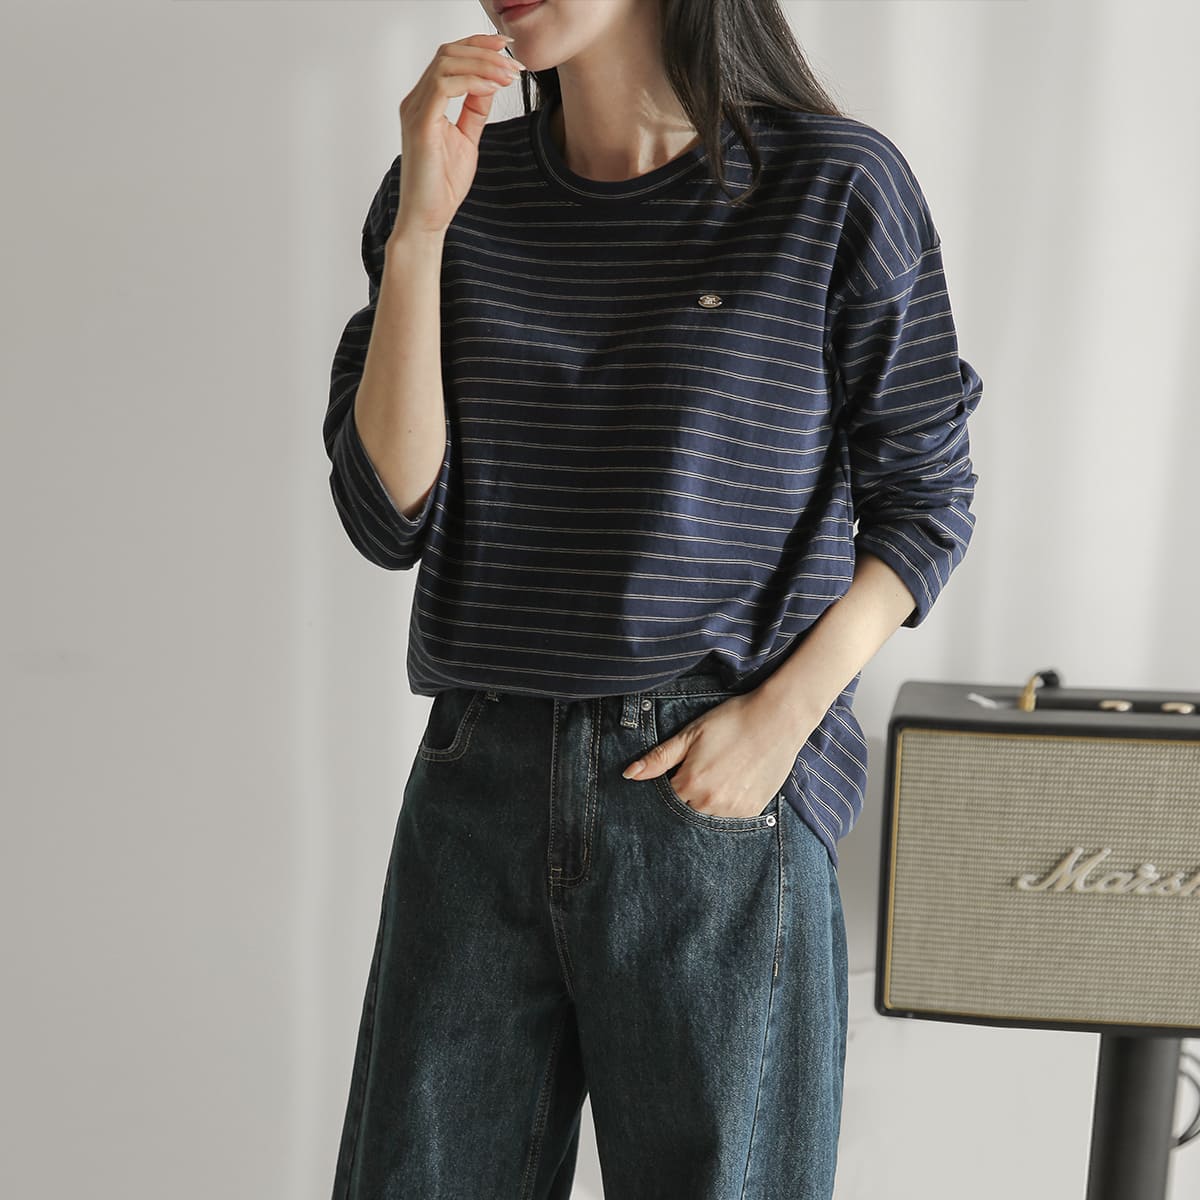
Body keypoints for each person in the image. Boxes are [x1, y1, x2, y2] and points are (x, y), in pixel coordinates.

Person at [323, 1, 983, 1196]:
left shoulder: (833, 186)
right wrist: (420, 232)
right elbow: (386, 515)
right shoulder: (454, 188)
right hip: (478, 788)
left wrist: (780, 724)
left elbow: (925, 499)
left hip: (712, 798)